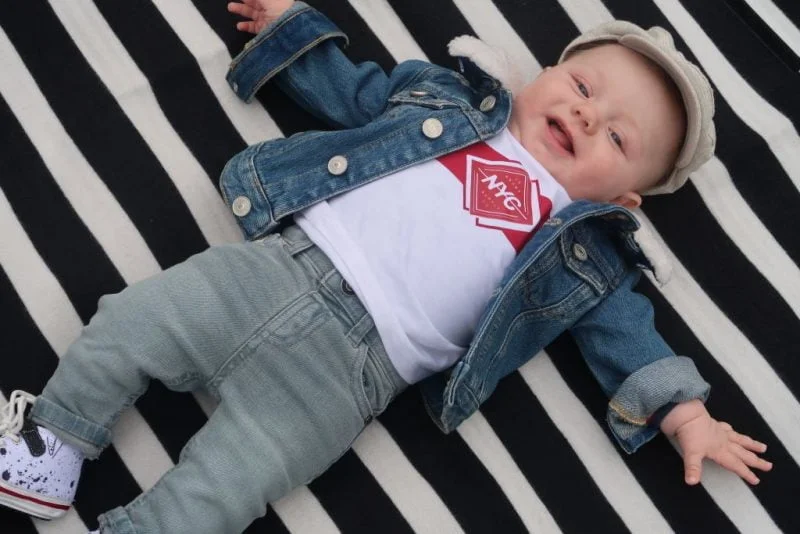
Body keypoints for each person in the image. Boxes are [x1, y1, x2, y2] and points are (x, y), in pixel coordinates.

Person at [0, 1, 773, 532]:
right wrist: (291, 32)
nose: (585, 115)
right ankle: (52, 441)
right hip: (276, 269)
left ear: (626, 199)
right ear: (540, 75)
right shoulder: (449, 101)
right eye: (581, 86)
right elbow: (353, 91)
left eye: (618, 138)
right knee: (133, 322)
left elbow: (630, 337)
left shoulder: (586, 252)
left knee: (231, 486)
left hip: (352, 379)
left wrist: (687, 416)